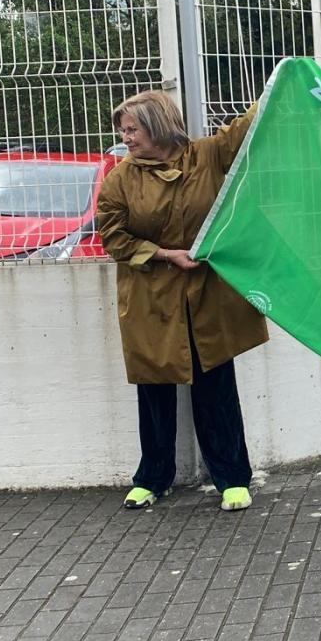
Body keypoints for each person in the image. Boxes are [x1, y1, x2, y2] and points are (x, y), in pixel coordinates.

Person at [95, 91, 270, 512]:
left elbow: (247, 131)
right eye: (123, 130)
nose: (126, 138)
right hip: (149, 297)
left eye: (132, 129)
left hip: (206, 295)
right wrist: (164, 254)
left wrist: (282, 81)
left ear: (156, 125)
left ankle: (232, 478)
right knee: (154, 389)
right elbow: (113, 236)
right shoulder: (121, 178)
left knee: (216, 384)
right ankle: (153, 478)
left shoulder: (207, 157)